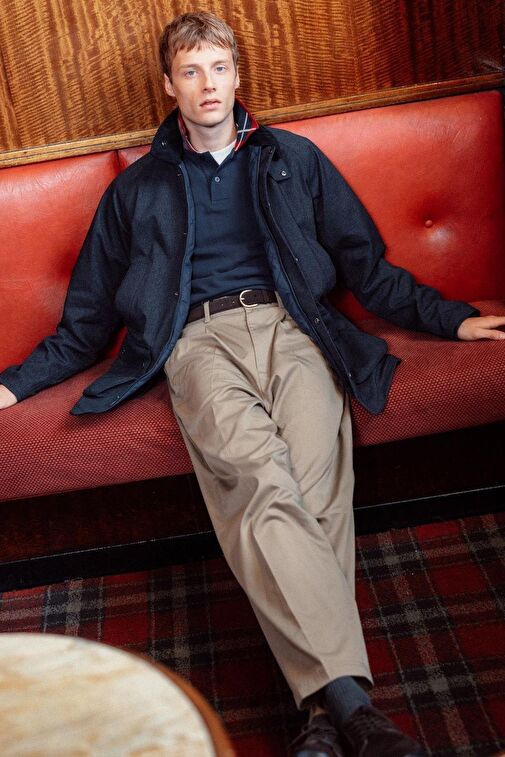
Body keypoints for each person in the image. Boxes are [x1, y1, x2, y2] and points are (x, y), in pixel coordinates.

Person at [1, 11, 504, 756]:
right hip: (197, 343)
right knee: (257, 479)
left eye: (219, 68)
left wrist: (452, 320)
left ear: (237, 77)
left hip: (295, 329)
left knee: (316, 490)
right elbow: (86, 321)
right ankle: (356, 710)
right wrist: (13, 386)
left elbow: (366, 267)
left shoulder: (292, 159)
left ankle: (324, 720)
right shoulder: (136, 191)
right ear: (168, 85)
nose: (208, 84)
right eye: (191, 71)